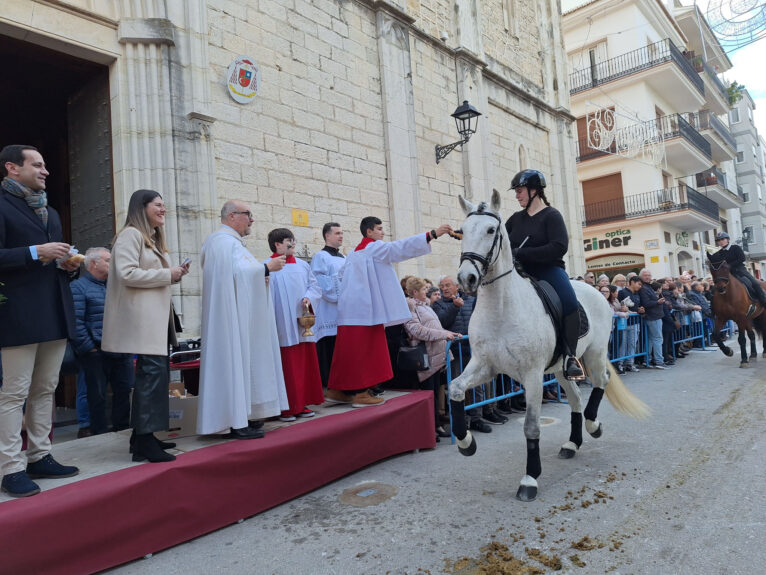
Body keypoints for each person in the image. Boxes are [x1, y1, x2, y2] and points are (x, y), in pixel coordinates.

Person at [0, 144, 80, 497]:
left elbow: (52, 261)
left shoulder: (50, 212)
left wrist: (67, 264)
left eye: (46, 165)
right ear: (12, 168)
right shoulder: (2, 206)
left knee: (45, 389)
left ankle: (40, 456)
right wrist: (36, 252)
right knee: (13, 394)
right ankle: (10, 467)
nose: (46, 170)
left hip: (53, 310)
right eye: (37, 164)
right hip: (17, 315)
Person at [325, 216, 453, 407]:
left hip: (348, 311)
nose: (383, 232)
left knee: (347, 351)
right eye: (379, 229)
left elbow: (341, 277)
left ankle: (337, 390)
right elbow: (399, 248)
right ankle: (361, 393)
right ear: (369, 232)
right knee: (364, 351)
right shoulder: (373, 248)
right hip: (366, 312)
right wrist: (431, 234)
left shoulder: (352, 254)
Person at [102, 189, 189, 462]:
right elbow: (126, 273)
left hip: (155, 321)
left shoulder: (150, 238)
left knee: (155, 378)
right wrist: (167, 273)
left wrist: (173, 275)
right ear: (142, 207)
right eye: (158, 205)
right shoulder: (131, 234)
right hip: (142, 322)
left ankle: (143, 437)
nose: (163, 209)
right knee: (150, 379)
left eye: (164, 205)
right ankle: (143, 441)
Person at [196, 200, 289, 439]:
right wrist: (266, 268)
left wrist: (262, 274)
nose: (252, 219)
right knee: (233, 361)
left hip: (237, 314)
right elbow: (237, 274)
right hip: (228, 319)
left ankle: (244, 414)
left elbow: (239, 275)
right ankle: (233, 420)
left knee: (244, 361)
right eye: (248, 214)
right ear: (232, 216)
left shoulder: (232, 244)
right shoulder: (222, 242)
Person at [505, 169, 584, 380]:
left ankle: (570, 357)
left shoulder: (552, 215)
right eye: (516, 192)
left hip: (549, 270)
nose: (517, 196)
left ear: (534, 191)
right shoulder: (515, 219)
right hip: (520, 272)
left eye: (520, 191)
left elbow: (559, 247)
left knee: (569, 302)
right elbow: (500, 241)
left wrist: (522, 253)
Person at [70, 247, 133, 435]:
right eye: (108, 260)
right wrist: (90, 349)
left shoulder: (117, 286)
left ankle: (123, 431)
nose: (112, 263)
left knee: (124, 393)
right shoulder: (78, 287)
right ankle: (98, 435)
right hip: (97, 353)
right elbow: (75, 321)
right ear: (93, 263)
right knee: (96, 398)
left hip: (122, 350)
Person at [432, 275, 506, 430]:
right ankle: (462, 421)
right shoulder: (438, 305)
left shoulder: (471, 301)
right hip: (455, 352)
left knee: (477, 385)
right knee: (459, 386)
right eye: (442, 286)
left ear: (457, 286)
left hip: (473, 350)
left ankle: (476, 418)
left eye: (448, 285)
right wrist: (454, 306)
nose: (444, 288)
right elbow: (441, 323)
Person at [264, 228, 323, 421]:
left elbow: (314, 286)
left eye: (293, 240)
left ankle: (302, 403)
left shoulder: (302, 265)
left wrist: (308, 297)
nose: (293, 244)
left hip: (301, 322)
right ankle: (286, 407)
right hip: (280, 324)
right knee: (286, 366)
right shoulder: (267, 266)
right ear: (277, 245)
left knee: (303, 365)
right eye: (289, 241)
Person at [402, 277, 460, 440]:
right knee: (429, 394)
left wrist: (447, 334)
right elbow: (417, 330)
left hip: (435, 355)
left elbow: (435, 327)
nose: (426, 292)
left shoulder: (424, 305)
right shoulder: (411, 306)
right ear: (414, 292)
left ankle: (436, 426)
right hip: (426, 355)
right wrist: (444, 334)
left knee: (435, 392)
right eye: (423, 290)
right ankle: (430, 429)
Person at [310, 222, 345, 389]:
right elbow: (321, 283)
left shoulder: (344, 257)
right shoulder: (320, 257)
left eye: (342, 233)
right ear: (327, 236)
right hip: (328, 310)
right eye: (337, 233)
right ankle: (328, 385)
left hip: (342, 311)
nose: (341, 236)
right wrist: (341, 285)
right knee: (328, 348)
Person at [709, 232, 766, 305]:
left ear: (728, 239)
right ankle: (713, 309)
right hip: (727, 274)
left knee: (755, 283)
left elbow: (742, 258)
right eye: (718, 240)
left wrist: (729, 265)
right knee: (715, 289)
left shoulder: (735, 248)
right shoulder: (719, 253)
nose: (721, 242)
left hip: (740, 271)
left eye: (722, 239)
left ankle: (763, 301)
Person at [638, 268, 669, 369]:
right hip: (652, 316)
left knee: (651, 339)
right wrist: (657, 302)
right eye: (645, 275)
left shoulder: (649, 286)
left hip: (655, 315)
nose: (647, 277)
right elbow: (646, 303)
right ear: (641, 276)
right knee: (657, 339)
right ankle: (659, 361)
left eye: (649, 275)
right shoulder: (643, 288)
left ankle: (648, 360)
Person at [616, 275, 643, 373]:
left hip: (635, 322)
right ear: (632, 282)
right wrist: (623, 308)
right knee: (622, 344)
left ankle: (630, 363)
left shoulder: (637, 294)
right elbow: (619, 305)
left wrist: (640, 309)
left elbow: (636, 307)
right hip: (623, 323)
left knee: (632, 344)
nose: (640, 286)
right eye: (639, 284)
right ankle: (620, 364)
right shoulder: (622, 292)